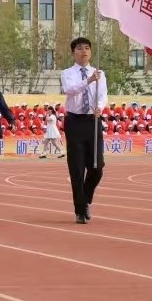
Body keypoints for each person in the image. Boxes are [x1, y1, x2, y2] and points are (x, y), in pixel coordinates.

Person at [60, 37, 108, 225]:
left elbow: (103, 95)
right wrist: (88, 80)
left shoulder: (99, 74)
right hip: (74, 122)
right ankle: (80, 210)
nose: (84, 51)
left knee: (97, 167)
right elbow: (70, 90)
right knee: (77, 169)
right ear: (74, 52)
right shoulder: (67, 73)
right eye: (80, 48)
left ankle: (85, 199)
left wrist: (100, 107)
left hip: (93, 121)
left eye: (87, 48)